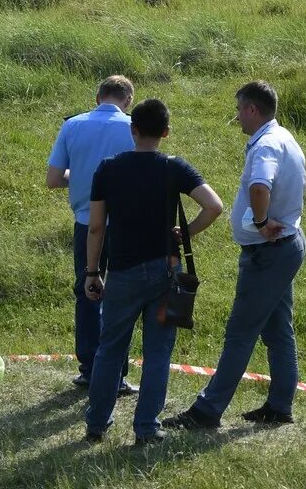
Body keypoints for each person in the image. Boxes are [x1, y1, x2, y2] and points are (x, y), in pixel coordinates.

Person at [168, 80, 306, 432]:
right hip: (284, 246)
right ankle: (279, 405)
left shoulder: (265, 146)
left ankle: (207, 410)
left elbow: (260, 186)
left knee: (240, 333)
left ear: (252, 109)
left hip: (268, 252)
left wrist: (260, 222)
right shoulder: (285, 137)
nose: (237, 117)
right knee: (278, 330)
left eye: (238, 110)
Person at [83, 98, 223, 445]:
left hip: (123, 270)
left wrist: (91, 272)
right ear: (166, 132)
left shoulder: (108, 169)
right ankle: (147, 427)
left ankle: (97, 424)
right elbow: (214, 206)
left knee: (110, 348)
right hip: (164, 270)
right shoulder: (174, 168)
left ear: (132, 130)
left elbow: (97, 227)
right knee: (158, 353)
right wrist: (186, 231)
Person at [48, 74, 137, 394]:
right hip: (127, 224)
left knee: (88, 291)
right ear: (128, 101)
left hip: (86, 222)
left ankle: (88, 368)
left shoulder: (72, 126)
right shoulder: (133, 127)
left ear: (98, 96)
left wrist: (82, 175)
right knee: (123, 296)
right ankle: (117, 371)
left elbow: (54, 178)